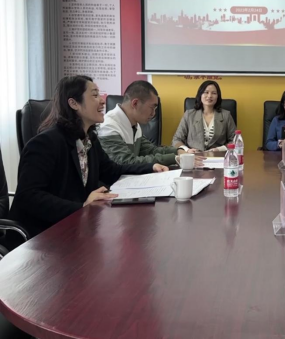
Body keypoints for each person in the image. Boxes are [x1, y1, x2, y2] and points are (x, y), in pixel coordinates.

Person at [9, 76, 168, 238]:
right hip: (39, 236)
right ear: (74, 103)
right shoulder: (45, 143)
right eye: (95, 95)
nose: (102, 101)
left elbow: (112, 171)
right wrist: (82, 206)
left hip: (74, 229)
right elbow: (28, 197)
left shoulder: (89, 140)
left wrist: (151, 167)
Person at [98, 81, 183, 166]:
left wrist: (178, 151)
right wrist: (174, 158)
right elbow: (126, 162)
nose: (153, 114)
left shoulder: (135, 125)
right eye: (152, 108)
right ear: (135, 103)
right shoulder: (108, 126)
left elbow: (150, 150)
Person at [172, 81, 236, 152]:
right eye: (206, 92)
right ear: (200, 95)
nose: (209, 96)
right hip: (194, 156)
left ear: (218, 96)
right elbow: (177, 139)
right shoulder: (189, 115)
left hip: (218, 156)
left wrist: (219, 149)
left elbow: (235, 140)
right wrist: (187, 150)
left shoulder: (226, 115)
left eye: (214, 93)